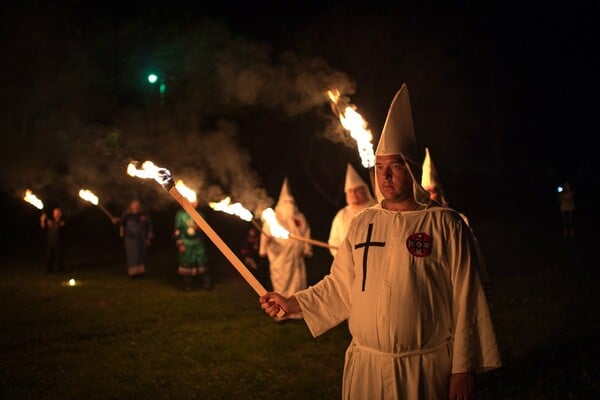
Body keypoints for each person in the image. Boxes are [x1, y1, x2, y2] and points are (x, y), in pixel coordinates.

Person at [260, 84, 501, 399]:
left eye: (395, 167)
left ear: (411, 170)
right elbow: (340, 284)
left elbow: (468, 300)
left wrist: (462, 368)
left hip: (423, 370)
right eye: (380, 168)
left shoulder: (445, 224)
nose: (385, 177)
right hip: (367, 368)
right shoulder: (363, 224)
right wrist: (293, 303)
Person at [422, 146, 494, 306]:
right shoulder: (417, 221)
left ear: (440, 193)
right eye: (424, 191)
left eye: (432, 191)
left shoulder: (457, 218)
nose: (429, 196)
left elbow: (472, 251)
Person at [259, 178, 312, 298]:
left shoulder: (299, 218)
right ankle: (282, 309)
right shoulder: (274, 219)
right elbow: (265, 234)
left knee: (298, 281)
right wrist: (264, 248)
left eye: (291, 202)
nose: (289, 205)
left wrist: (306, 249)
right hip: (280, 257)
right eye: (286, 202)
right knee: (282, 282)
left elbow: (306, 233)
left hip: (296, 257)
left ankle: (297, 308)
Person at [328, 163, 377, 258]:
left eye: (356, 190)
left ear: (364, 190)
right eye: (350, 191)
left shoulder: (377, 209)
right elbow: (334, 242)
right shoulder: (342, 215)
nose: (353, 194)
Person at [173, 197, 212, 291]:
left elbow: (206, 230)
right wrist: (180, 243)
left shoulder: (200, 214)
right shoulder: (180, 214)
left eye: (195, 201)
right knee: (186, 263)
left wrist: (199, 227)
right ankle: (187, 286)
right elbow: (177, 230)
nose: (194, 202)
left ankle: (207, 284)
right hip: (186, 242)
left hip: (198, 242)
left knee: (202, 262)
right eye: (192, 201)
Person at [112, 199, 153, 279]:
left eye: (137, 204)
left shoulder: (144, 215)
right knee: (132, 255)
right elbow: (120, 222)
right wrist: (116, 221)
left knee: (141, 255)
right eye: (134, 204)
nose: (135, 206)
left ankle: (141, 273)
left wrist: (149, 238)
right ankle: (133, 274)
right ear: (131, 206)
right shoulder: (126, 215)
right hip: (130, 239)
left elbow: (149, 226)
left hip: (142, 238)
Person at [240, 224, 271, 291]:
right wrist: (248, 258)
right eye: (250, 236)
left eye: (253, 236)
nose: (252, 238)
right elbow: (244, 251)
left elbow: (263, 253)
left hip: (261, 262)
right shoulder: (248, 242)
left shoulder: (260, 241)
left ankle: (264, 287)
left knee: (262, 272)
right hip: (252, 261)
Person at [40, 207, 66, 273]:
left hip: (59, 242)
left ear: (60, 214)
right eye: (54, 213)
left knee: (58, 256)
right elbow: (43, 227)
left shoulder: (62, 221)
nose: (55, 214)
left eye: (57, 213)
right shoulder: (50, 220)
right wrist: (42, 220)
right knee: (48, 257)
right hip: (50, 242)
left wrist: (52, 223)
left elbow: (59, 226)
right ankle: (48, 270)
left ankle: (59, 270)